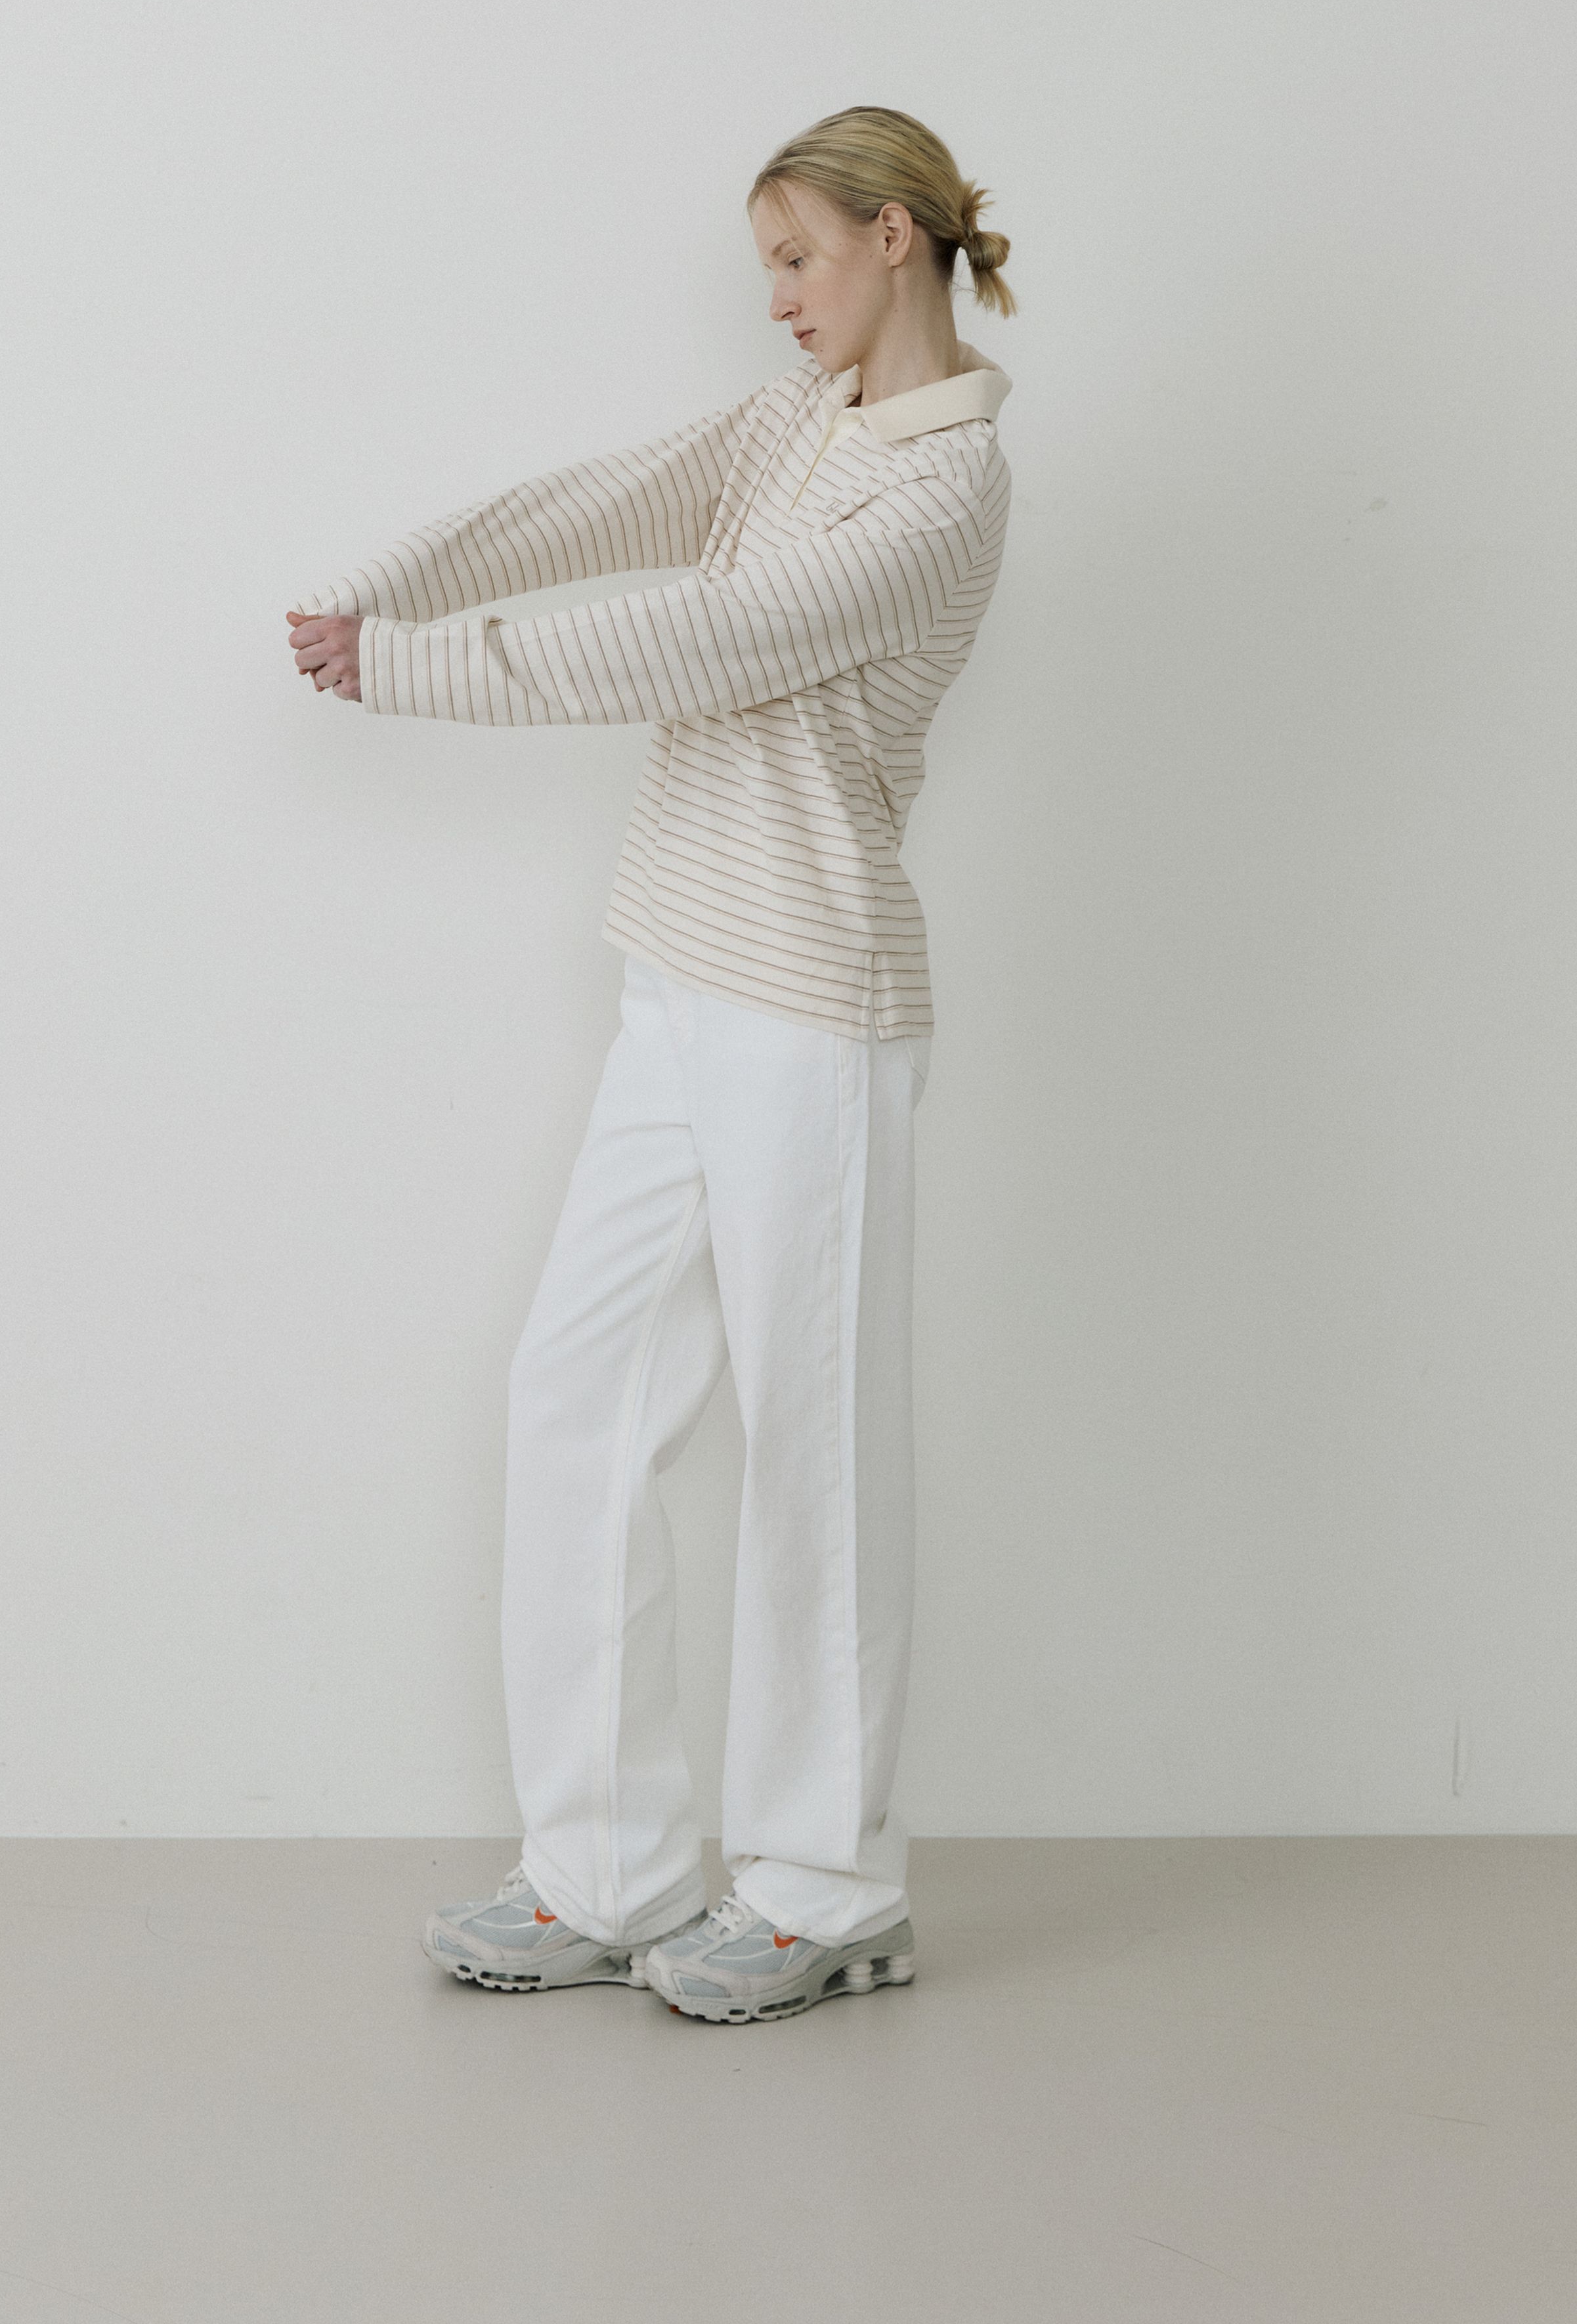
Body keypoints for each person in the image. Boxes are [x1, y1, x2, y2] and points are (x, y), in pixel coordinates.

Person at [286, 104, 1016, 2025]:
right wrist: (384, 587)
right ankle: (603, 1866)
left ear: (892, 239)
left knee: (810, 1449)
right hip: (679, 974)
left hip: (816, 998)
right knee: (576, 1396)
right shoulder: (797, 429)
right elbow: (600, 507)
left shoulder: (942, 491)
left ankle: (826, 1888)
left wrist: (415, 670)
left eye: (794, 259)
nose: (774, 301)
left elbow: (700, 638)